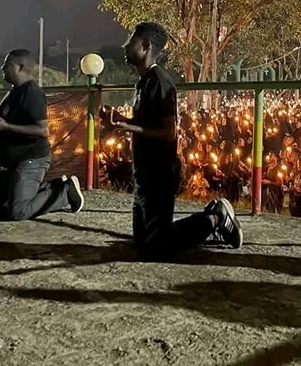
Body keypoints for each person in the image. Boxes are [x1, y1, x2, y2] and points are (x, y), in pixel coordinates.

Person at [100, 21, 242, 260]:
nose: (125, 45)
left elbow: (168, 133)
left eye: (131, 40)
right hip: (144, 173)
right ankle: (207, 218)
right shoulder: (143, 82)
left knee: (156, 247)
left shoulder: (160, 83)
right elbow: (146, 124)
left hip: (158, 173)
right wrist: (121, 119)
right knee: (144, 241)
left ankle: (216, 218)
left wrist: (127, 126)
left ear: (146, 45)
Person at [0, 49, 83, 220]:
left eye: (7, 65)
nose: (2, 68)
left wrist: (6, 127)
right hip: (10, 163)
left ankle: (64, 192)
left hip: (30, 160)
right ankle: (46, 188)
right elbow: (8, 124)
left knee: (18, 211)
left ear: (20, 67)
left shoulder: (32, 93)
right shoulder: (15, 91)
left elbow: (42, 131)